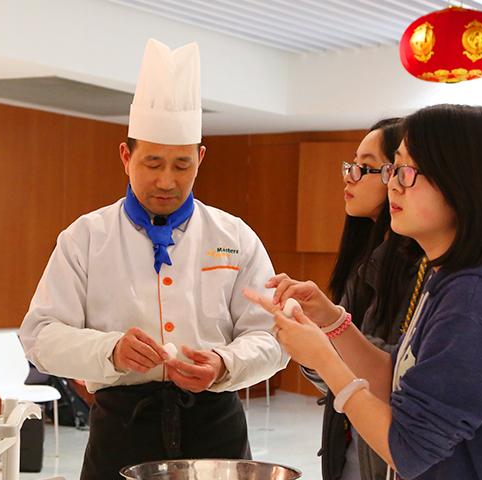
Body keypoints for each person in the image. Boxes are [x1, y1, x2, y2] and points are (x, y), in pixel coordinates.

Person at [19, 39, 286, 479]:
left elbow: (273, 339)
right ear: (126, 157)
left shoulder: (234, 236)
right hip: (122, 426)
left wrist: (224, 363)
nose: (166, 180)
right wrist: (111, 350)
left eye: (181, 165)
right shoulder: (86, 237)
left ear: (200, 159)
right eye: (153, 162)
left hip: (216, 422)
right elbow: (40, 336)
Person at [248, 104, 482, 479]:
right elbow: (397, 378)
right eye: (394, 168)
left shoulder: (475, 301)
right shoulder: (453, 278)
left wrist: (323, 358)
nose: (393, 183)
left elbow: (408, 449)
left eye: (408, 171)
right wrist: (330, 321)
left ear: (464, 183)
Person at [289, 118, 425, 480]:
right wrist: (315, 338)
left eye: (364, 168)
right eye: (352, 165)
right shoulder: (366, 260)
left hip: (389, 455)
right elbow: (339, 378)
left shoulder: (431, 273)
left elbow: (392, 376)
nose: (349, 176)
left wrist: (323, 344)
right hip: (353, 447)